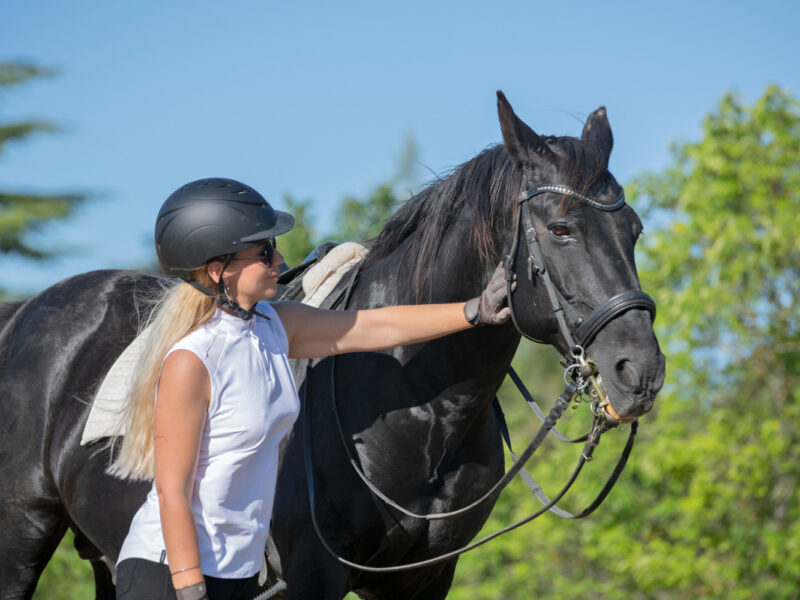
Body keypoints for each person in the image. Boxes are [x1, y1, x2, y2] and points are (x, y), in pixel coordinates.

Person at [110, 177, 510, 600]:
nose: (279, 259)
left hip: (238, 573)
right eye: (264, 252)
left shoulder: (274, 326)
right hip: (170, 572)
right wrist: (191, 588)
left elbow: (378, 325)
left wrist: (474, 310)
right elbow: (174, 489)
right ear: (218, 270)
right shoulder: (192, 361)